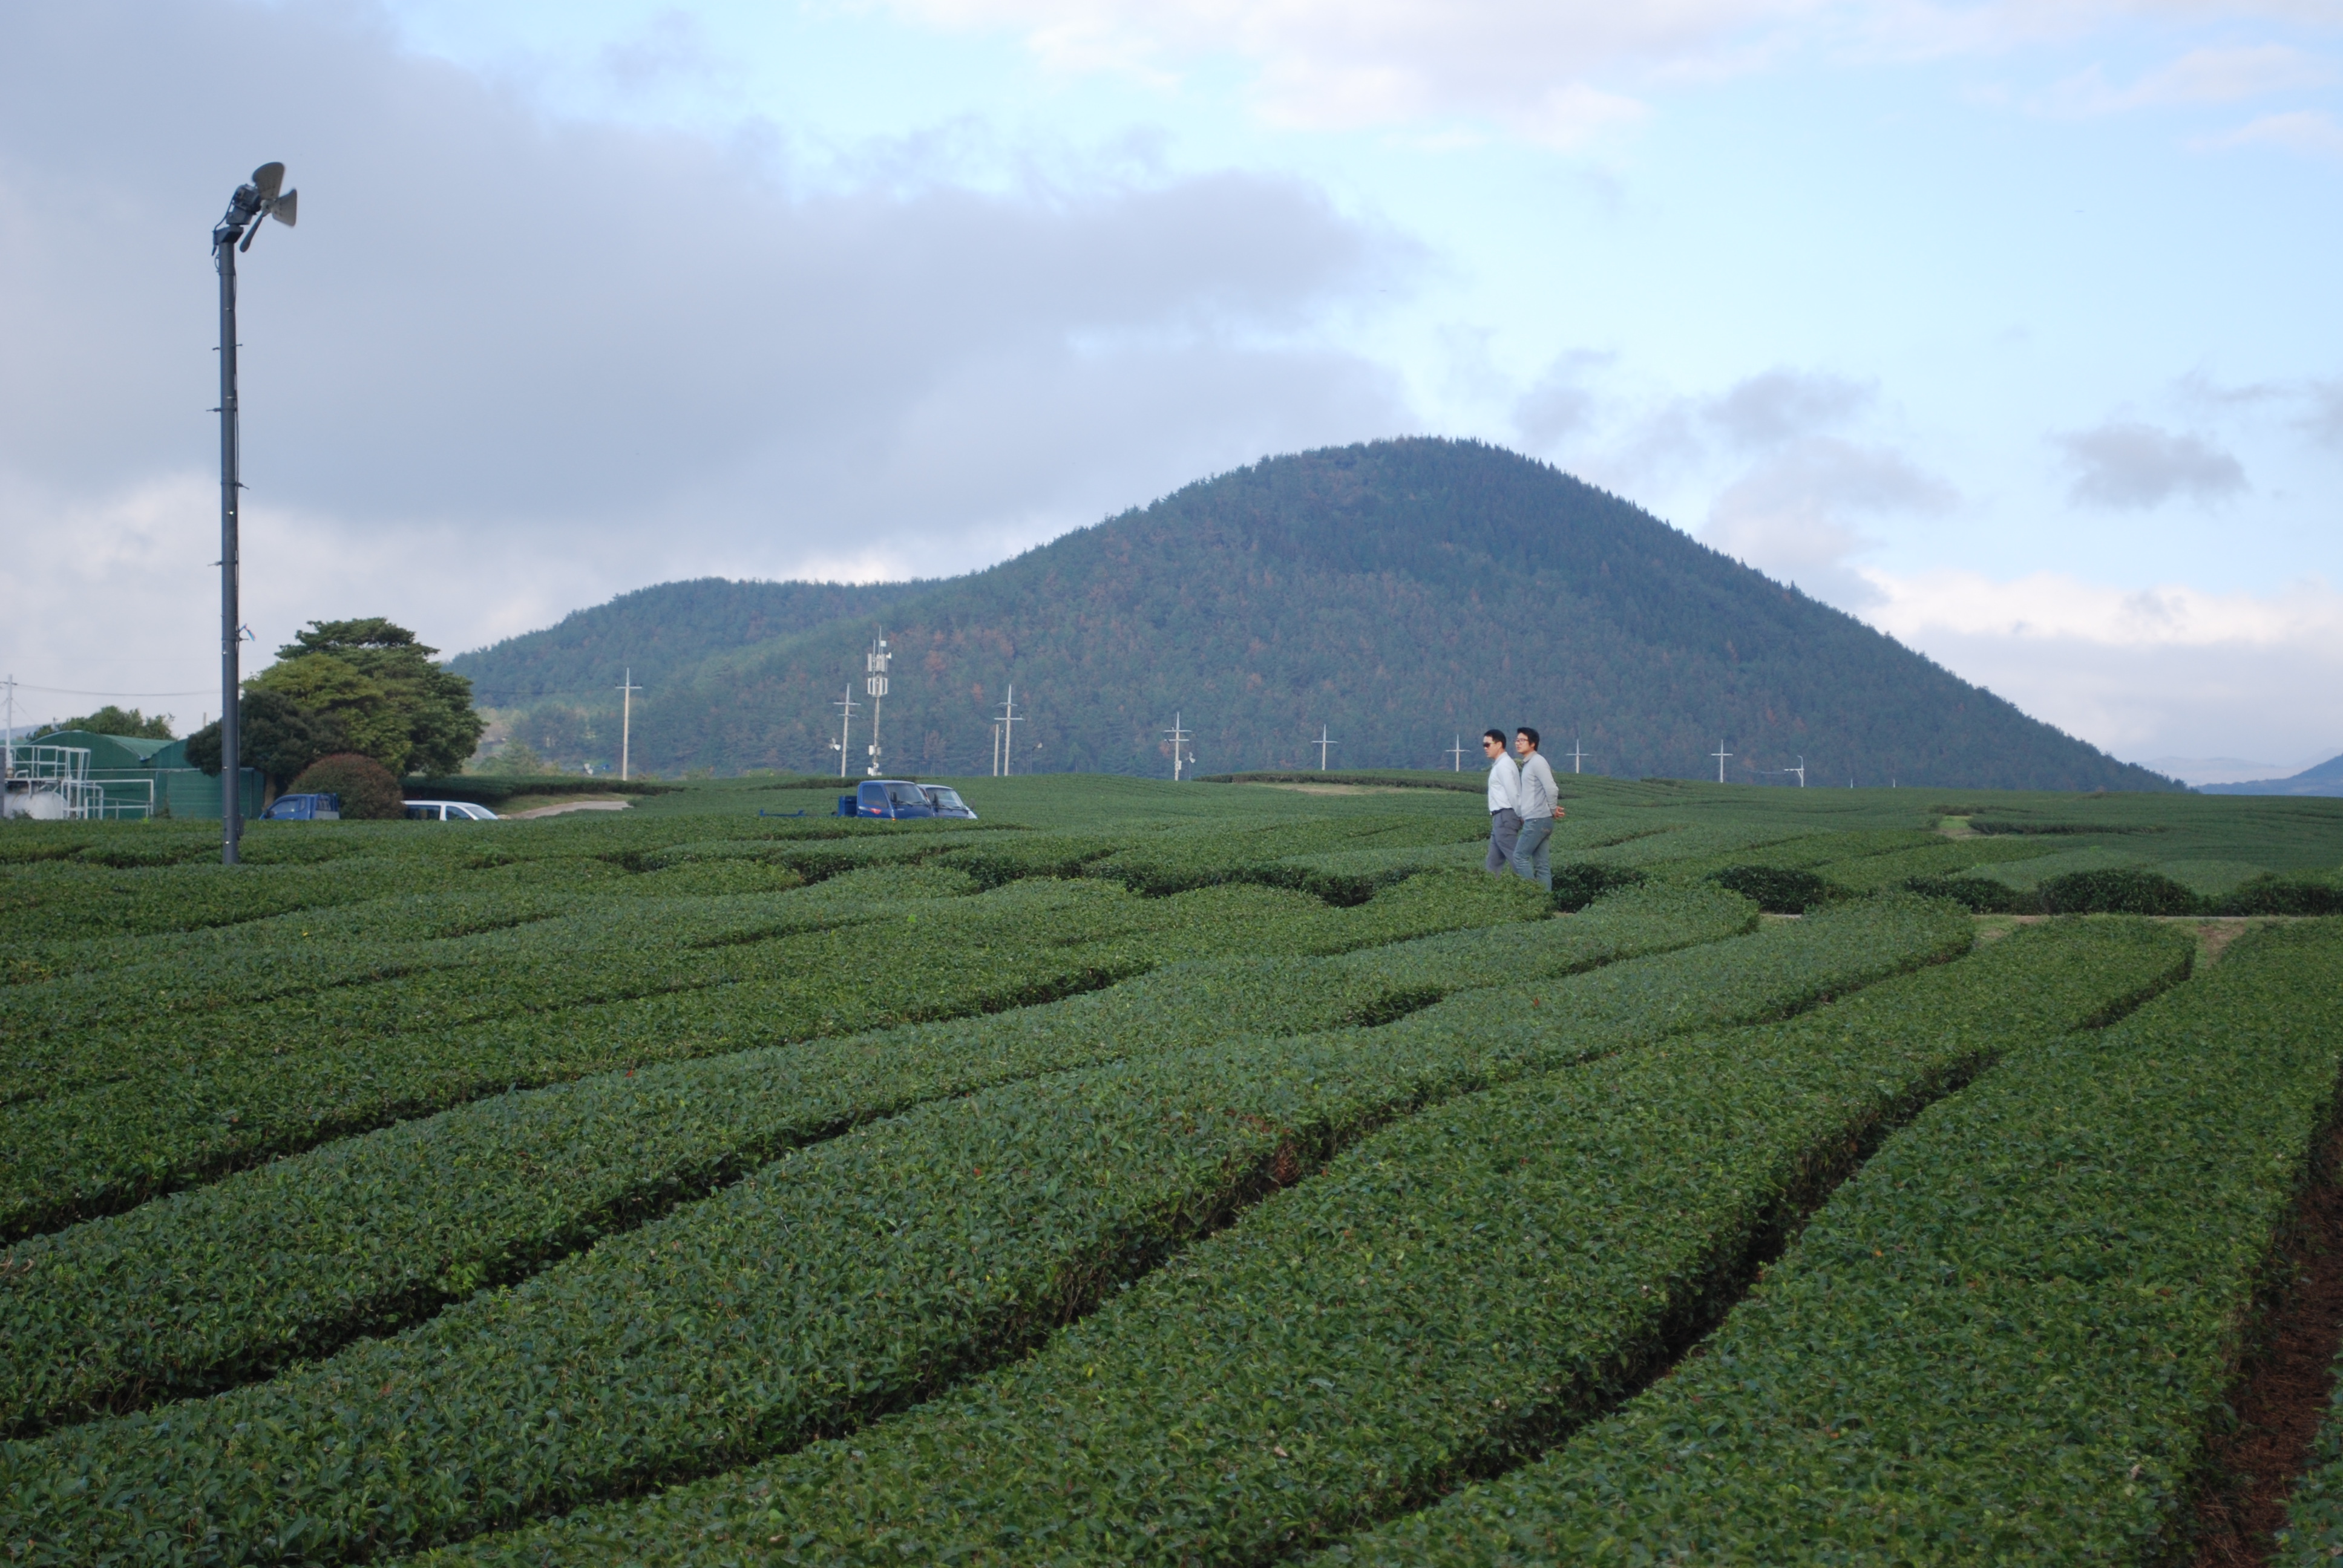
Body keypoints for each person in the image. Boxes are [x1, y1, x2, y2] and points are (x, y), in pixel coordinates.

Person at [1511, 727, 1562, 892]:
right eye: (1517, 740)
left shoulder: (1537, 762)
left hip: (1536, 820)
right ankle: (1544, 901)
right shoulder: (1530, 764)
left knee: (1519, 857)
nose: (1518, 743)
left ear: (1532, 744)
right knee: (1542, 865)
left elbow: (1552, 789)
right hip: (1541, 819)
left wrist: (1552, 809)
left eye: (1522, 740)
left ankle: (1534, 895)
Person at [1481, 728, 1520, 875]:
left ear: (1499, 745)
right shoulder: (1501, 764)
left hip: (1505, 816)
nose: (1485, 748)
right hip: (1500, 817)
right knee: (1493, 862)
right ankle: (1490, 886)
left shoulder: (1504, 765)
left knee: (1516, 858)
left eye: (1488, 744)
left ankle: (1533, 884)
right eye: (1484, 745)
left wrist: (1520, 814)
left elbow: (1513, 792)